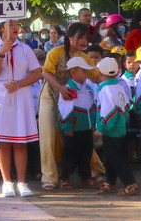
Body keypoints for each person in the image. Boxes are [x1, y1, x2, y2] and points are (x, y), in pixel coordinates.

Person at [38, 22, 102, 190]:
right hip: (51, 97)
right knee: (48, 136)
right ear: (69, 37)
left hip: (74, 100)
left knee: (82, 138)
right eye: (79, 37)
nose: (83, 41)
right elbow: (45, 72)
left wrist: (111, 84)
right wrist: (60, 88)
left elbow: (96, 76)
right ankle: (49, 178)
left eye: (85, 38)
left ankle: (92, 173)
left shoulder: (85, 57)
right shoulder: (56, 52)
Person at [0, 19, 43, 198]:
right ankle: (7, 181)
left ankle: (22, 182)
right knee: (3, 142)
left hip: (20, 94)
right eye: (11, 25)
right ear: (1, 28)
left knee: (20, 141)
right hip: (0, 95)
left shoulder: (25, 49)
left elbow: (36, 72)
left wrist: (18, 84)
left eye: (17, 24)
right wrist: (2, 53)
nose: (16, 28)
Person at [94, 57, 140, 197]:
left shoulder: (105, 90)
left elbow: (108, 112)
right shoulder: (119, 86)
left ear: (100, 73)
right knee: (110, 156)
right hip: (120, 128)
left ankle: (130, 183)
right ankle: (111, 181)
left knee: (116, 158)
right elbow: (126, 106)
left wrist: (101, 128)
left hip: (110, 130)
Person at [57, 57, 97, 189]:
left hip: (87, 128)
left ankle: (85, 178)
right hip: (74, 129)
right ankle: (64, 178)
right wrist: (67, 127)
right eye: (83, 70)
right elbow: (64, 110)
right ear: (73, 72)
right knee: (70, 155)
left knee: (86, 155)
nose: (86, 73)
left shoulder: (88, 87)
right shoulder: (69, 89)